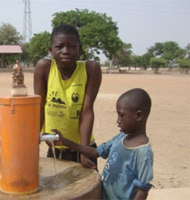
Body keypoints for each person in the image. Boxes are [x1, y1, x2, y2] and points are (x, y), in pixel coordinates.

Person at [53, 88, 153, 200]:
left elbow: (143, 190)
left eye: (122, 115)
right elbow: (96, 152)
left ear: (138, 116)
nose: (118, 121)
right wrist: (65, 141)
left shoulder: (143, 152)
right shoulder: (121, 137)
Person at [34, 24, 102, 169]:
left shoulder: (90, 69)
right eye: (60, 47)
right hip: (55, 148)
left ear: (80, 49)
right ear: (51, 50)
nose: (66, 51)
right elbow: (38, 108)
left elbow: (87, 111)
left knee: (88, 190)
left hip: (82, 147)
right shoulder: (44, 68)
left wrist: (84, 153)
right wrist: (32, 142)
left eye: (71, 46)